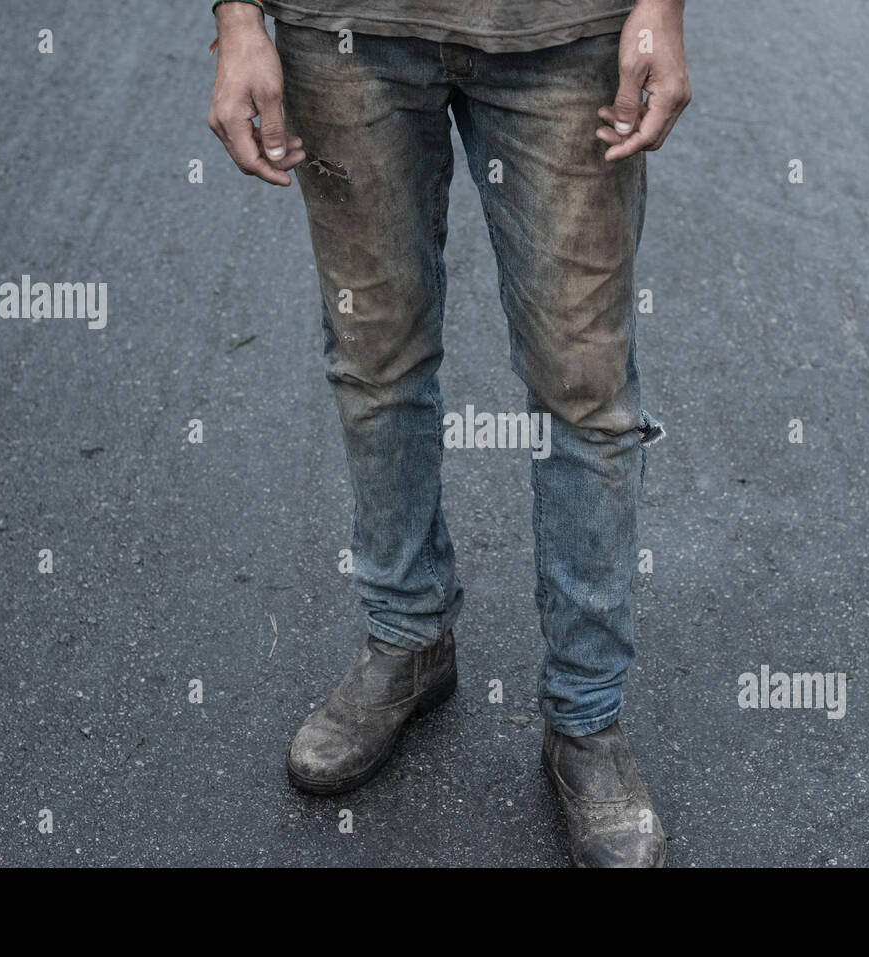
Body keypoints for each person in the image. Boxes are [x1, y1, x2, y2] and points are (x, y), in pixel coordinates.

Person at [208, 0, 690, 867]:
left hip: (567, 33)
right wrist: (238, 20)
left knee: (584, 390)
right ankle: (409, 637)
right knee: (375, 359)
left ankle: (585, 716)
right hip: (343, 32)